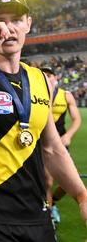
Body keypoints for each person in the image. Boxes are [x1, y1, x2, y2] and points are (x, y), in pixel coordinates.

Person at [0, 0, 87, 241]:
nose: (8, 28)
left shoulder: (39, 79)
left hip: (38, 214)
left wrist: (81, 195)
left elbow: (51, 149)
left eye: (16, 19)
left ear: (28, 23)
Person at [40, 66, 83, 224]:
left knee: (70, 181)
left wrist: (68, 135)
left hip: (61, 142)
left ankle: (53, 203)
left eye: (50, 75)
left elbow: (77, 119)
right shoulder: (35, 94)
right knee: (48, 181)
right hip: (42, 143)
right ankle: (48, 216)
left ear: (56, 78)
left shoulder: (66, 96)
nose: (47, 77)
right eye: (44, 74)